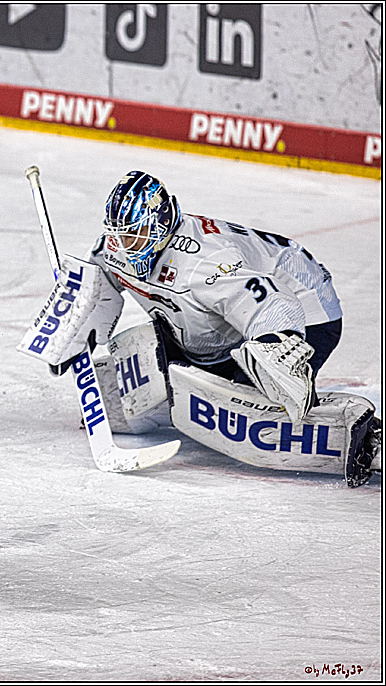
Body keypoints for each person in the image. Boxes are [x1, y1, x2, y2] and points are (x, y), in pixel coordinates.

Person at [34, 170, 380, 486]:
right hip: (212, 326)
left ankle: (364, 437)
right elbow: (97, 286)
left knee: (267, 404)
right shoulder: (115, 249)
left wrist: (277, 344)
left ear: (160, 224)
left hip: (305, 308)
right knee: (118, 398)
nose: (125, 247)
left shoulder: (206, 261)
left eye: (135, 237)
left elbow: (272, 300)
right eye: (119, 236)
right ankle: (213, 373)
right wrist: (72, 324)